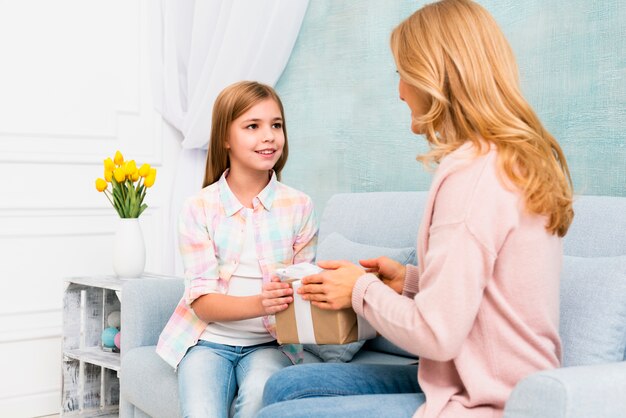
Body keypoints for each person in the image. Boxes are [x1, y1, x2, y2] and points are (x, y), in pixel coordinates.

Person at [257, 0, 574, 417]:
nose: (400, 89)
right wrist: (407, 282)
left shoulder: (473, 177)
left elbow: (437, 334)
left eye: (402, 73)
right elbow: (483, 292)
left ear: (433, 78)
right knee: (288, 386)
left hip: (489, 399)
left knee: (279, 413)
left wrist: (359, 289)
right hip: (474, 376)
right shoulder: (505, 161)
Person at [156, 81, 318, 418]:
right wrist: (261, 302)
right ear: (225, 139)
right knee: (201, 412)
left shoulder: (299, 206)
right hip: (206, 342)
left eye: (276, 125)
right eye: (252, 126)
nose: (269, 136)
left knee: (260, 398)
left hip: (270, 346)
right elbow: (201, 303)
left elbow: (304, 288)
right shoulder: (199, 207)